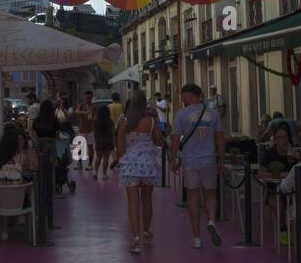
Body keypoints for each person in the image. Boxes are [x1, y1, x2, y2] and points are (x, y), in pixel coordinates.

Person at [170, 83, 225, 250]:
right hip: (208, 159)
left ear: (189, 96)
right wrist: (221, 158)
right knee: (210, 194)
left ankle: (196, 237)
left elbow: (175, 140)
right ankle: (211, 221)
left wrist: (173, 159)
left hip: (190, 161)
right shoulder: (213, 113)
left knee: (193, 196)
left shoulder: (181, 114)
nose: (181, 99)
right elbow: (220, 138)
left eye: (182, 95)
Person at [116, 89, 163, 254]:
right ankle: (146, 231)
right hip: (148, 165)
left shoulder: (124, 121)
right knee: (147, 201)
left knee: (133, 203)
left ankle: (135, 238)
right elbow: (160, 142)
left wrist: (126, 156)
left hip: (130, 165)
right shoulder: (150, 121)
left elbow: (120, 147)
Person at [93, 103, 115, 182]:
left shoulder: (96, 121)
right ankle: (104, 174)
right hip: (108, 142)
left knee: (98, 158)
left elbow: (94, 132)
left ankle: (95, 173)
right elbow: (113, 132)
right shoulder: (110, 121)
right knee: (106, 159)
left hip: (99, 142)